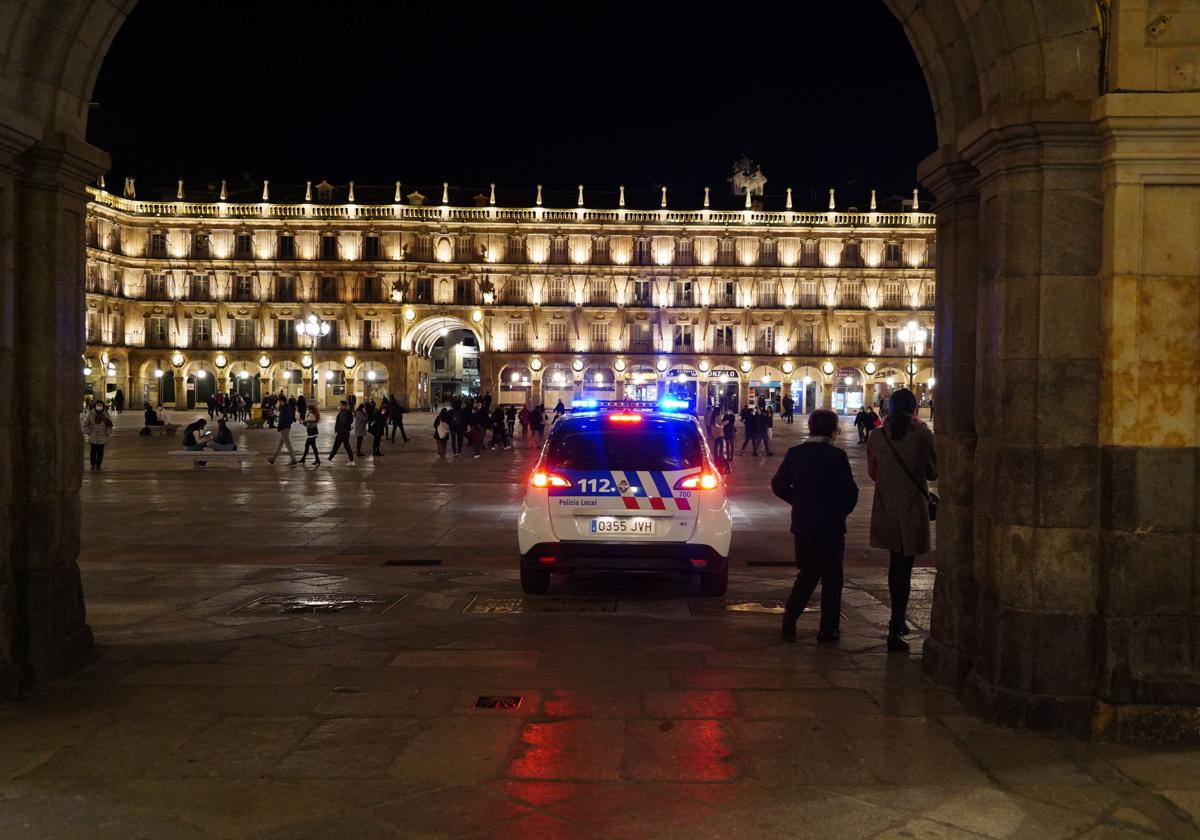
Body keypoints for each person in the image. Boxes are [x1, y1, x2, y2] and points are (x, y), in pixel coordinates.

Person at [771, 408, 859, 643]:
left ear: (810, 428)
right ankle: (828, 630)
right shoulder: (836, 456)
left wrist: (799, 501)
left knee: (807, 574)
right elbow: (850, 493)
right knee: (832, 579)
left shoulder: (795, 453)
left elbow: (779, 484)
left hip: (804, 524)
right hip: (830, 526)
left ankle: (790, 620)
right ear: (833, 431)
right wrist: (839, 511)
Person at [866, 388, 938, 653]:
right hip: (911, 508)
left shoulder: (876, 435)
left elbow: (873, 472)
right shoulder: (922, 435)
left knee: (895, 563)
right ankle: (896, 622)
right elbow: (933, 472)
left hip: (886, 507)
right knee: (905, 567)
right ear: (914, 407)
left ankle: (897, 621)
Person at [82, 401, 113, 471]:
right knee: (93, 451)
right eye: (98, 405)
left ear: (103, 406)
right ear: (95, 406)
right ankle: (93, 464)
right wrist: (88, 432)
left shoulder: (106, 414)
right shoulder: (90, 414)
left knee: (100, 451)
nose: (99, 406)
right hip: (93, 435)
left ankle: (98, 464)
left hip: (102, 435)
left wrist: (107, 432)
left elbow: (109, 425)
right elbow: (85, 424)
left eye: (101, 405)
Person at [268, 397, 298, 465]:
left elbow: (282, 419)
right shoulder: (289, 407)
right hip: (287, 427)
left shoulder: (284, 408)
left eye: (279, 402)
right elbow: (290, 417)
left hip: (284, 428)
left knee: (288, 444)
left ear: (281, 401)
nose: (279, 403)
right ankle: (272, 459)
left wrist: (279, 427)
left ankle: (293, 460)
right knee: (280, 444)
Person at [329, 400, 356, 465]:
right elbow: (351, 421)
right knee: (347, 446)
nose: (339, 406)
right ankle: (352, 461)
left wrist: (339, 428)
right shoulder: (348, 412)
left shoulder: (343, 412)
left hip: (342, 432)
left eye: (340, 405)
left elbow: (342, 422)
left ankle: (329, 459)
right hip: (346, 431)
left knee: (336, 446)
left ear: (343, 405)